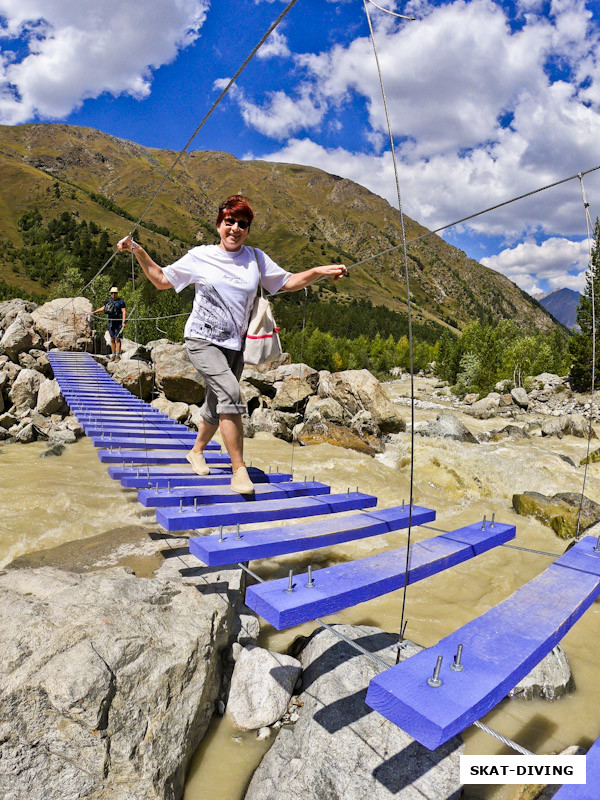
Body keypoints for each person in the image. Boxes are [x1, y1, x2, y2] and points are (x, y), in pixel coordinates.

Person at [117, 195, 347, 494]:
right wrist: (139, 251)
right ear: (219, 225)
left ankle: (196, 450)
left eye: (242, 225)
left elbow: (286, 282)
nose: (235, 229)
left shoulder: (255, 258)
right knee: (231, 393)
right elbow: (161, 279)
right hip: (202, 339)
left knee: (216, 404)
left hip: (235, 346)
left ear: (248, 230)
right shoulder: (200, 256)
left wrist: (317, 271)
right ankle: (239, 470)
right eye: (230, 223)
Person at [92, 287, 127, 359]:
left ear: (117, 293)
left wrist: (123, 322)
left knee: (117, 338)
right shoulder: (108, 302)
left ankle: (118, 355)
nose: (113, 294)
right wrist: (94, 312)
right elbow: (103, 308)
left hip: (118, 322)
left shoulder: (121, 302)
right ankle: (113, 354)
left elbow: (124, 312)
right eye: (112, 293)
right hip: (110, 322)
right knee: (112, 338)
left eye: (115, 293)